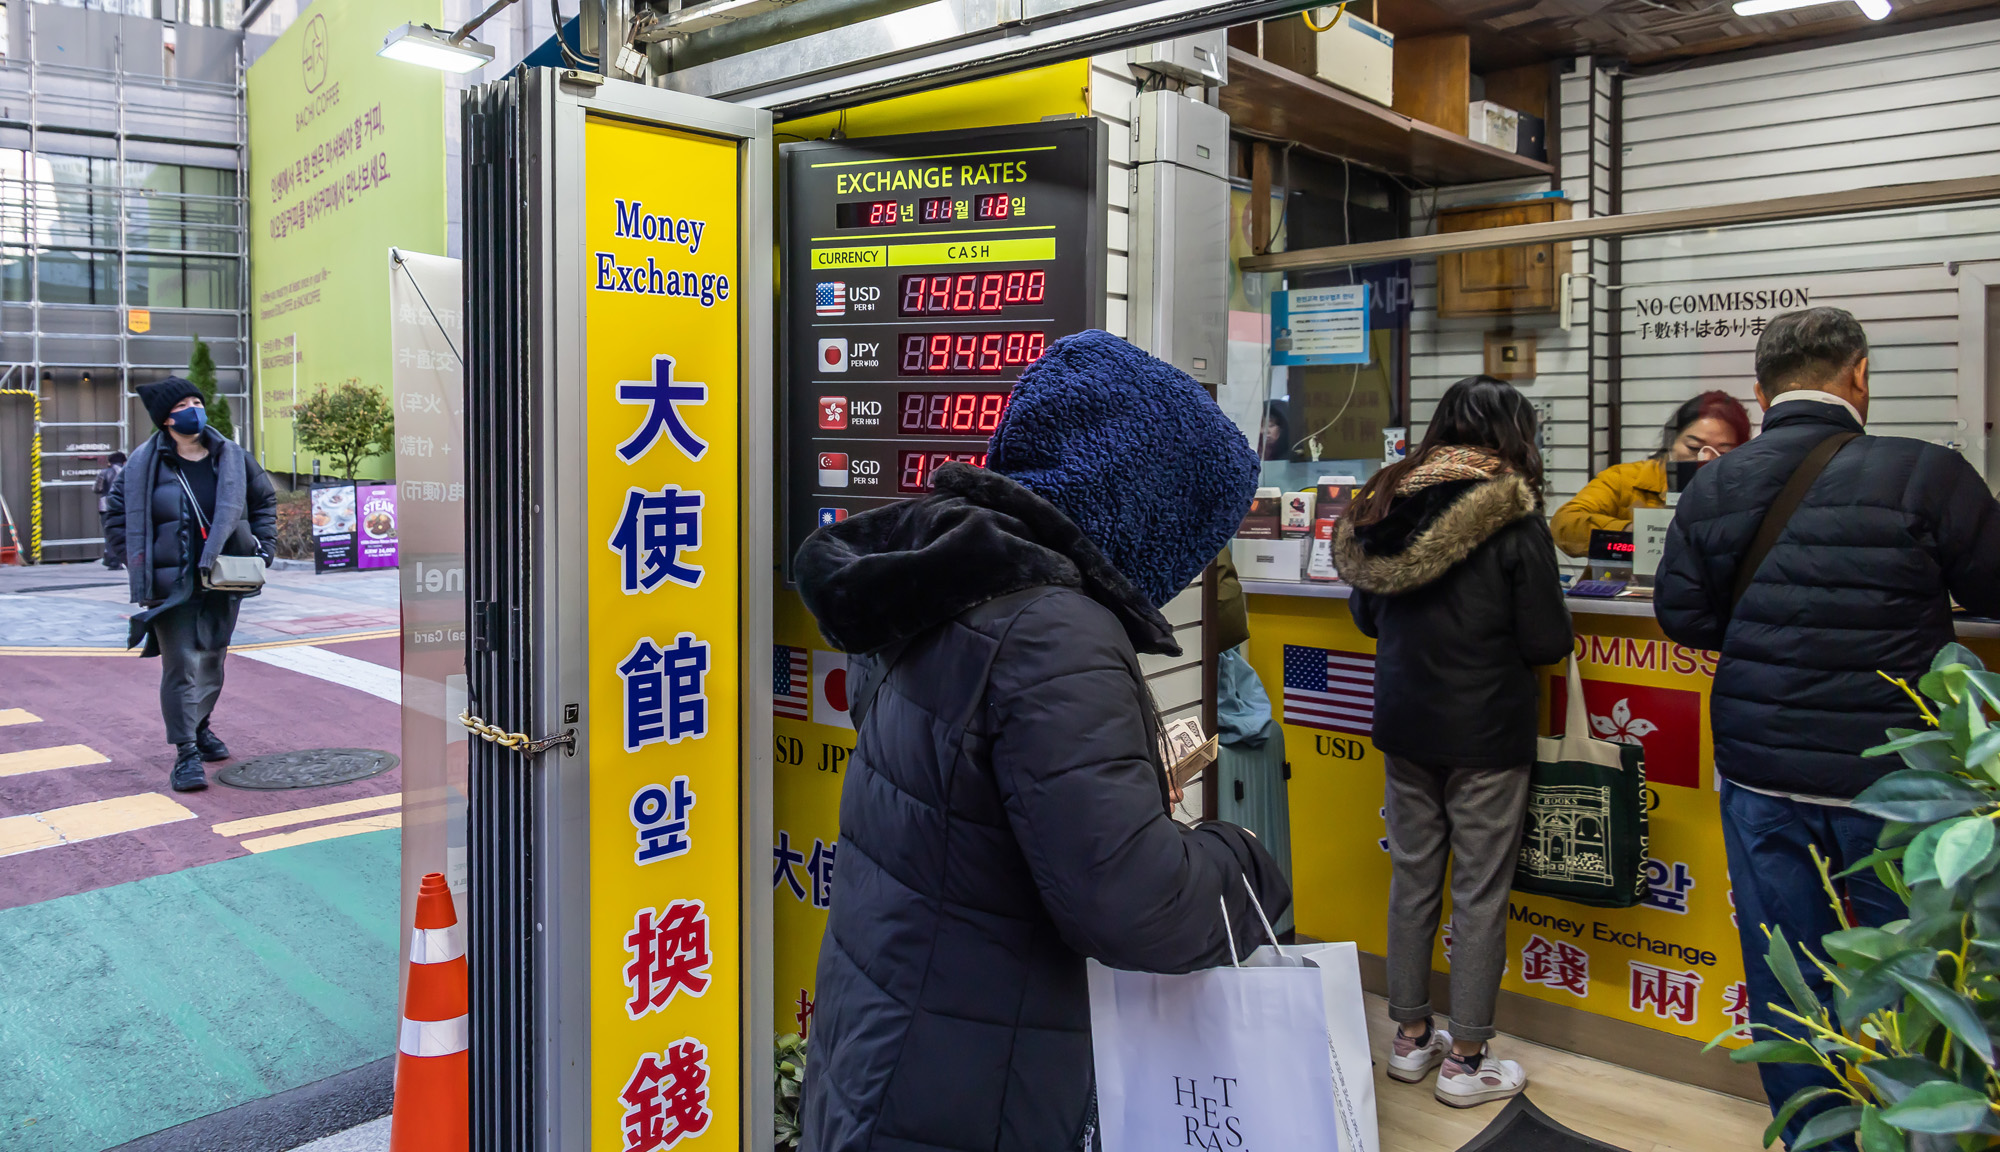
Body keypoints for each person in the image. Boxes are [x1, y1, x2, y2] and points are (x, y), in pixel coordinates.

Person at [794, 329, 1291, 1152]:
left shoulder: (941, 577)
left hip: (891, 1036)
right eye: (1198, 533)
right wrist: (1244, 865)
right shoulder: (1053, 629)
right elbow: (1131, 900)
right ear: (1147, 503)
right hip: (973, 1084)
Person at [1655, 307, 2000, 1148]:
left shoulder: (1714, 483)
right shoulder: (1929, 474)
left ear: (1762, 392)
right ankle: (1919, 1133)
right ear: (1860, 375)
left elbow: (1683, 617)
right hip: (1896, 784)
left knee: (1789, 973)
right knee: (1911, 971)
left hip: (1761, 771)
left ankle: (1819, 1134)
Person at [1333, 375, 1573, 1108]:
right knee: (1478, 892)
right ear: (1514, 434)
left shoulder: (1389, 501)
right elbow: (1546, 640)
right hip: (1487, 734)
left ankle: (1408, 1042)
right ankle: (1466, 1059)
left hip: (1405, 725)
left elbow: (1368, 620)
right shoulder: (1514, 516)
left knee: (1412, 883)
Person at [105, 378, 276, 792]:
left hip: (223, 576)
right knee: (181, 664)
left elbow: (264, 500)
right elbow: (115, 514)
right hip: (171, 582)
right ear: (166, 418)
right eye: (183, 404)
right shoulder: (144, 464)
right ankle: (185, 753)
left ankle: (200, 728)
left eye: (197, 401)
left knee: (212, 660)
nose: (194, 409)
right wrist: (138, 560)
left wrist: (263, 548)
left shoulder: (231, 456)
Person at [1551, 389, 1749, 556]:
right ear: (1671, 440)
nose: (1705, 459)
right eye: (1693, 447)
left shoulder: (1745, 491)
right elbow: (1565, 524)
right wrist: (1632, 533)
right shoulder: (1626, 479)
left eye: (1723, 452)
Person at [94, 450, 127, 569]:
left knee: (109, 533)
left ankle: (111, 559)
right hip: (123, 506)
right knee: (123, 533)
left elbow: (97, 488)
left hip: (105, 506)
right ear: (123, 461)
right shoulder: (127, 471)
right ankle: (119, 559)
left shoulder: (104, 473)